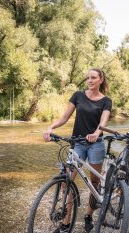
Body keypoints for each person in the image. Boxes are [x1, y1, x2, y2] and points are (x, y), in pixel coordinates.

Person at [43, 68, 112, 233]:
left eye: (93, 77)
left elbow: (103, 122)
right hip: (77, 144)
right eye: (88, 78)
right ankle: (66, 224)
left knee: (94, 184)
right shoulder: (78, 95)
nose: (90, 80)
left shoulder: (106, 101)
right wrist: (50, 127)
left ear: (101, 79)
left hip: (96, 145)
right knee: (68, 182)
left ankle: (88, 215)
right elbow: (65, 117)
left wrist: (96, 134)